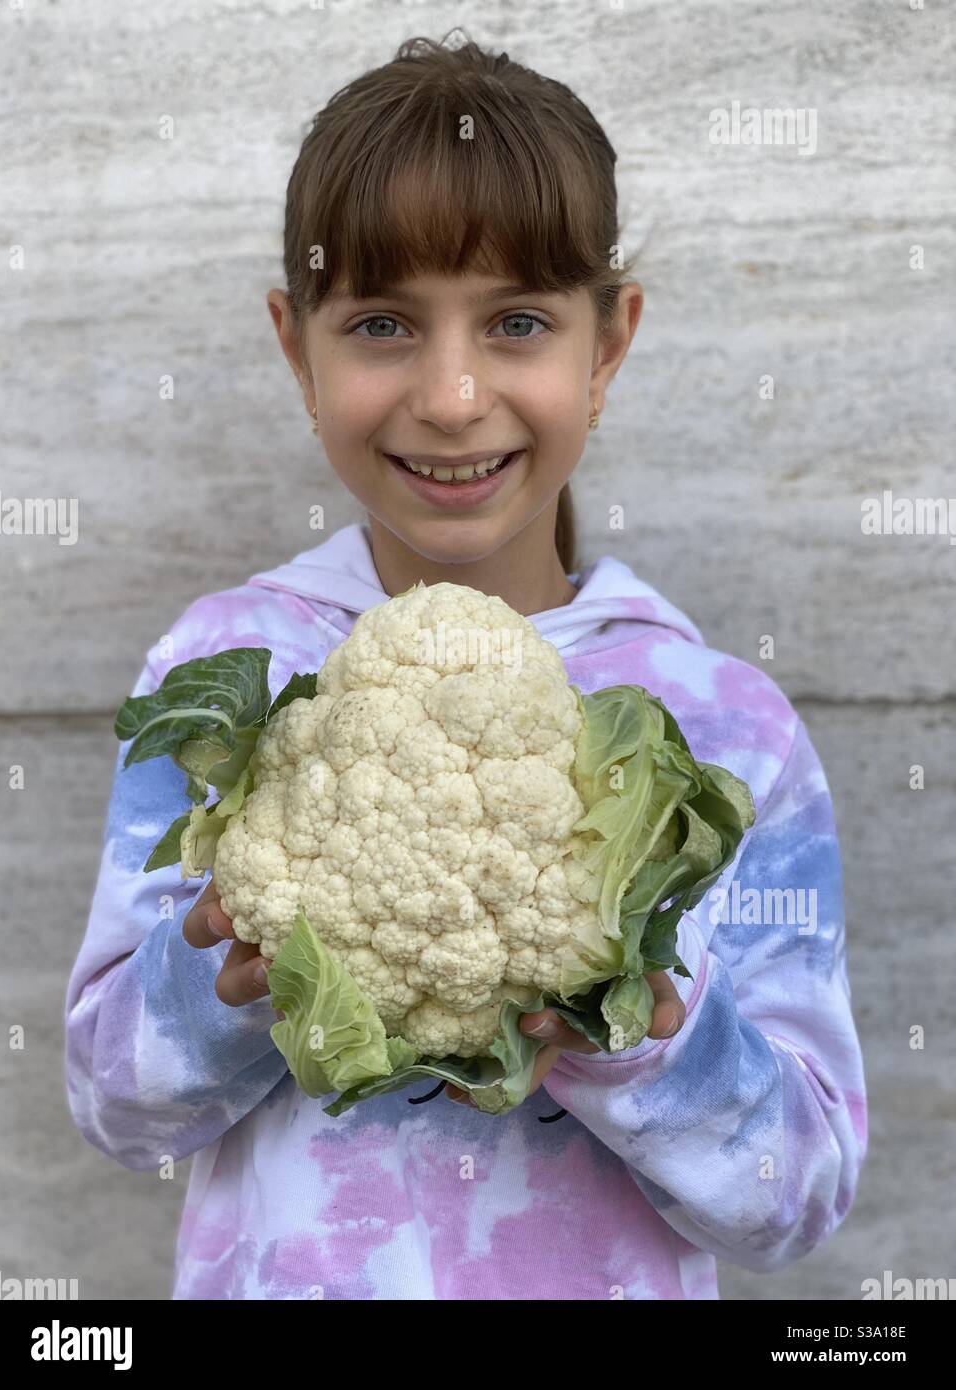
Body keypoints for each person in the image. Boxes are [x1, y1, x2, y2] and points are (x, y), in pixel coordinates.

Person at [64, 31, 867, 1300]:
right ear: (297, 347)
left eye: (518, 324)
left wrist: (645, 1030)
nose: (450, 394)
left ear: (606, 349)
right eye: (383, 323)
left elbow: (799, 1195)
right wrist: (228, 970)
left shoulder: (726, 724)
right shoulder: (225, 668)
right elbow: (117, 1107)